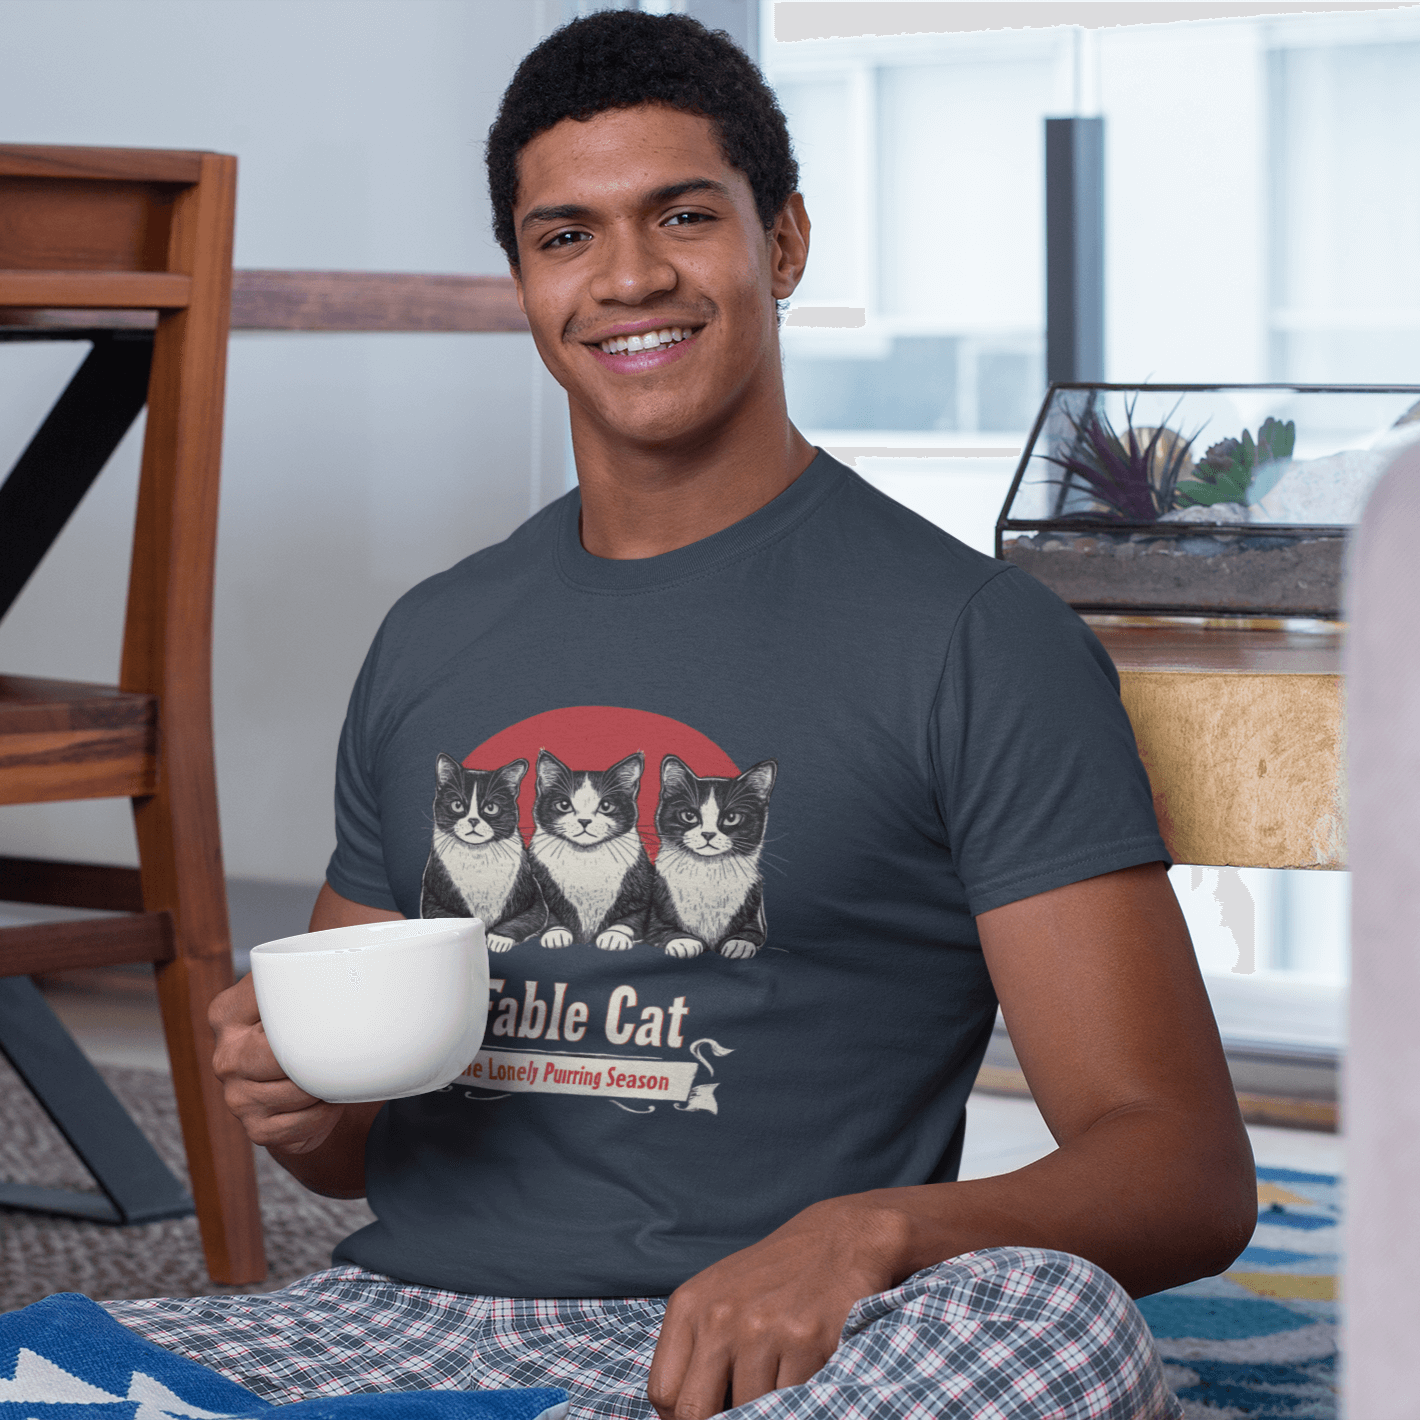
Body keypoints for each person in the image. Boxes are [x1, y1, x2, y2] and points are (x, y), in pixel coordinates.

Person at [105, 12, 1254, 1419]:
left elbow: (1181, 1168)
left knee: (1057, 1330)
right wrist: (294, 1100)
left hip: (765, 1357)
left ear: (784, 244)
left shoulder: (973, 640)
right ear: (525, 281)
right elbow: (351, 1151)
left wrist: (868, 1235)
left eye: (685, 215)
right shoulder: (433, 638)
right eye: (566, 236)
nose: (630, 277)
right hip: (400, 1325)